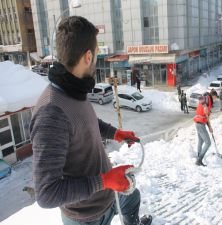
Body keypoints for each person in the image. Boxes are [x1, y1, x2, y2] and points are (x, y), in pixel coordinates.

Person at [30, 16, 152, 225]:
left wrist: (115, 133)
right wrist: (104, 181)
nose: (96, 60)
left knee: (133, 199)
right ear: (88, 56)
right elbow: (47, 194)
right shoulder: (51, 113)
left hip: (108, 192)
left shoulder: (74, 89)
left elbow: (85, 122)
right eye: (96, 55)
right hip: (87, 216)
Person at [194, 95, 213, 167]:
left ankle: (198, 156)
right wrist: (210, 128)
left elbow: (205, 116)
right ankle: (199, 160)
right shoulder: (205, 106)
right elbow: (207, 119)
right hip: (201, 125)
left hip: (197, 124)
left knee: (201, 141)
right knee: (208, 143)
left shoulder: (201, 104)